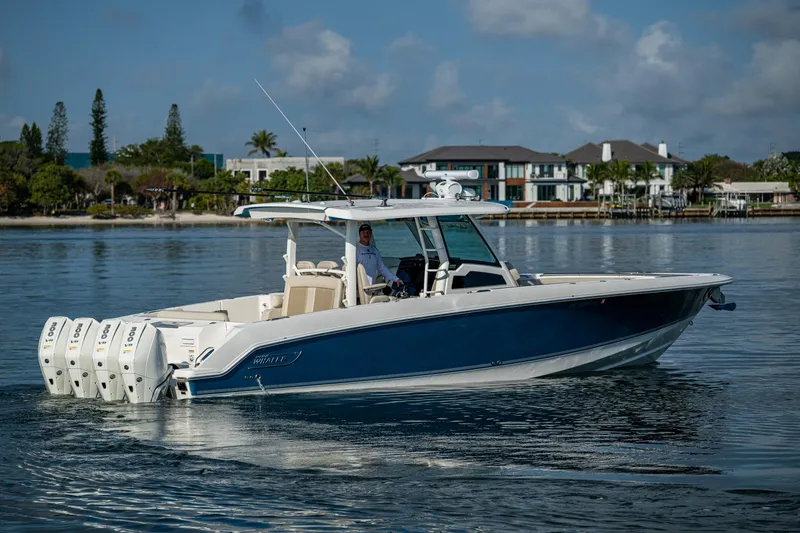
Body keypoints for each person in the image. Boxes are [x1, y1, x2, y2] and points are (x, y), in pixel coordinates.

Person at [356, 223, 405, 290]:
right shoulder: (355, 249)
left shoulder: (374, 250)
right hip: (359, 287)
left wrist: (396, 279)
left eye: (368, 232)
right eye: (363, 232)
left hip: (371, 287)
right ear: (359, 234)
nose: (366, 234)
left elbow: (381, 267)